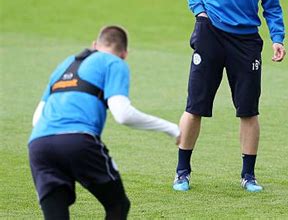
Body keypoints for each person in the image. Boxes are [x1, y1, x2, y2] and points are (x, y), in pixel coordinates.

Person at [173, 0, 286, 193]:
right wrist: (199, 10)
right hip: (210, 34)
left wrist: (278, 38)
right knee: (195, 106)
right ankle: (182, 171)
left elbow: (271, 4)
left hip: (246, 41)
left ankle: (248, 176)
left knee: (248, 110)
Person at [28, 25, 180, 220]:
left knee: (56, 215)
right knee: (117, 205)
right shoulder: (113, 62)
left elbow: (36, 119)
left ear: (94, 45)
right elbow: (122, 114)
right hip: (78, 141)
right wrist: (170, 128)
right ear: (124, 54)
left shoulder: (64, 64)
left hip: (39, 146)